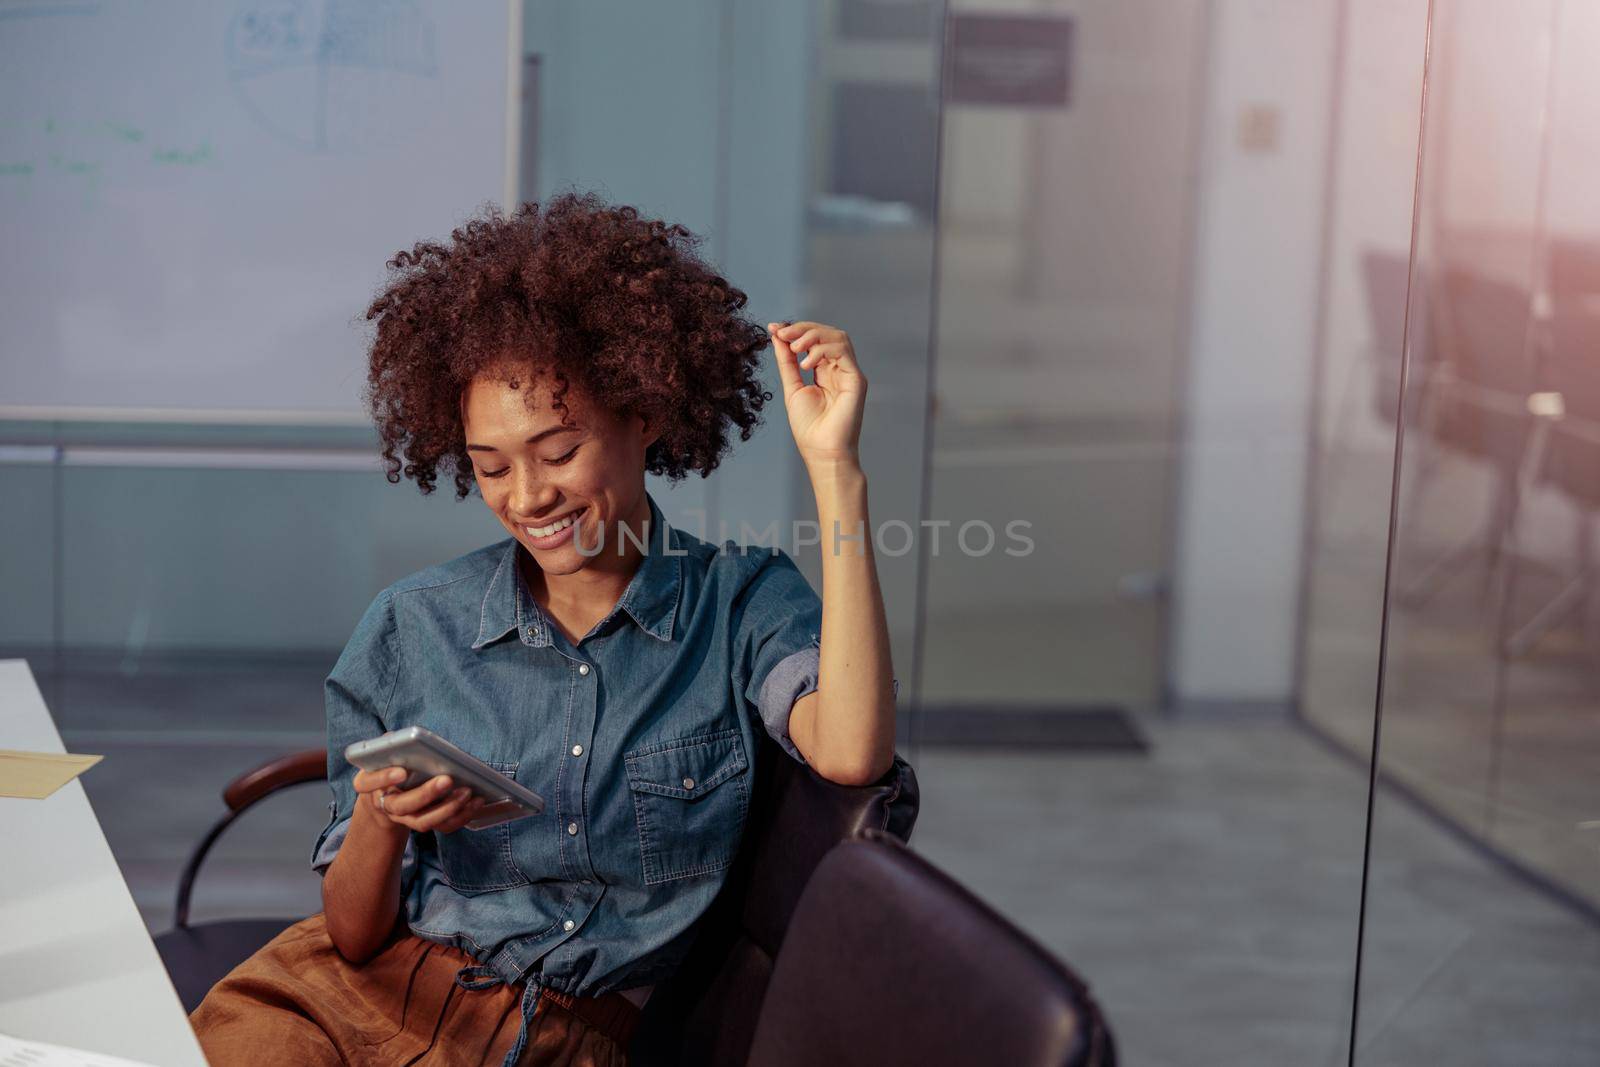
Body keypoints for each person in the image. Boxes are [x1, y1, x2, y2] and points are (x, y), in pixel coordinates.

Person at [188, 192, 899, 1066]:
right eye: (491, 467)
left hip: (551, 1038)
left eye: (559, 453)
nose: (528, 497)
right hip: (336, 1001)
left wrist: (837, 470)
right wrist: (382, 817)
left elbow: (852, 752)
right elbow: (351, 934)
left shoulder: (741, 602)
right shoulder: (415, 624)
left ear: (645, 415)